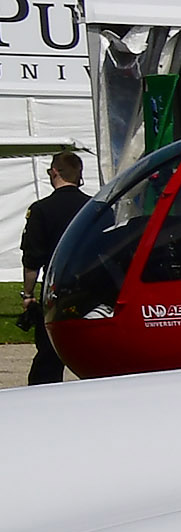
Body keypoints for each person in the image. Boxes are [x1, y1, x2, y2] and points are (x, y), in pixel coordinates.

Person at [19, 150, 89, 384]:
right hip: (90, 287)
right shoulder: (94, 207)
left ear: (54, 172)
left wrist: (27, 294)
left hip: (56, 288)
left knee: (49, 353)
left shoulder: (41, 210)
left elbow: (32, 258)